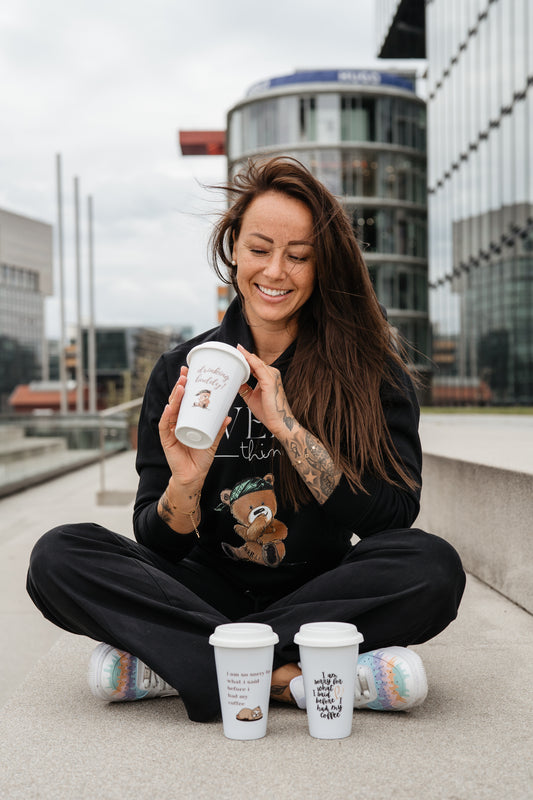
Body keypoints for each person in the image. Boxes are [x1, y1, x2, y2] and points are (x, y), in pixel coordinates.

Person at [27, 156, 466, 723]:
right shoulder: (179, 372)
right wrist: (184, 486)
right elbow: (156, 543)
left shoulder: (371, 371)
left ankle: (188, 660)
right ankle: (292, 677)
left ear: (321, 266)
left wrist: (290, 429)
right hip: (203, 587)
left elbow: (394, 516)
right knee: (58, 556)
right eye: (260, 250)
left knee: (432, 566)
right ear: (234, 248)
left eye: (299, 256)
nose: (276, 271)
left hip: (322, 591)